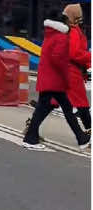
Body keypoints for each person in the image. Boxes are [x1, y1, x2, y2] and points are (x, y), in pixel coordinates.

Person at [23, 9, 90, 151]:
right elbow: (60, 58)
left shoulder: (51, 34)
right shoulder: (62, 36)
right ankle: (30, 137)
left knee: (50, 107)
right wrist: (65, 75)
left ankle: (81, 137)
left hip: (50, 78)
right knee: (62, 108)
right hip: (56, 79)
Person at [64, 3, 91, 132]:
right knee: (82, 104)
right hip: (71, 72)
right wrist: (89, 56)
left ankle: (32, 127)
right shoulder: (74, 32)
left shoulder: (73, 30)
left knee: (50, 103)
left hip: (68, 71)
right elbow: (74, 53)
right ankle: (89, 131)